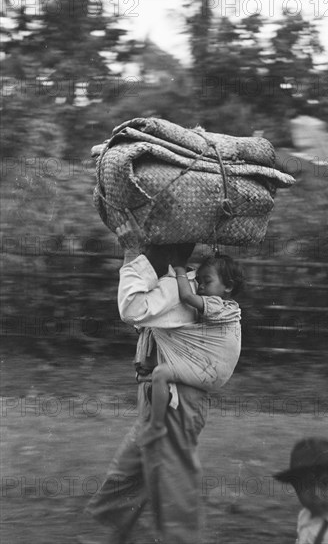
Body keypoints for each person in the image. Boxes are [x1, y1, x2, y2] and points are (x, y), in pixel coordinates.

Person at [85, 214, 226, 544]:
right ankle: (118, 531)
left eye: (149, 250)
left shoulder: (181, 289)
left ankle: (179, 539)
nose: (141, 258)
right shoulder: (173, 283)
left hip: (177, 400)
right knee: (131, 469)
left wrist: (134, 257)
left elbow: (131, 308)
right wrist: (139, 256)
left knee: (172, 479)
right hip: (158, 393)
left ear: (168, 254)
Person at [139, 254, 243, 445]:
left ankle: (156, 426)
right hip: (211, 368)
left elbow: (186, 296)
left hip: (211, 369)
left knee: (160, 374)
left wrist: (180, 270)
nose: (201, 286)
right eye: (199, 280)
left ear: (228, 287)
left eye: (207, 281)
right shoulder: (225, 308)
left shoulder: (216, 304)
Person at [273, 437, 328, 544]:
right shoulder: (305, 515)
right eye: (306, 485)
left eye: (326, 484)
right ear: (296, 489)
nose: (316, 493)